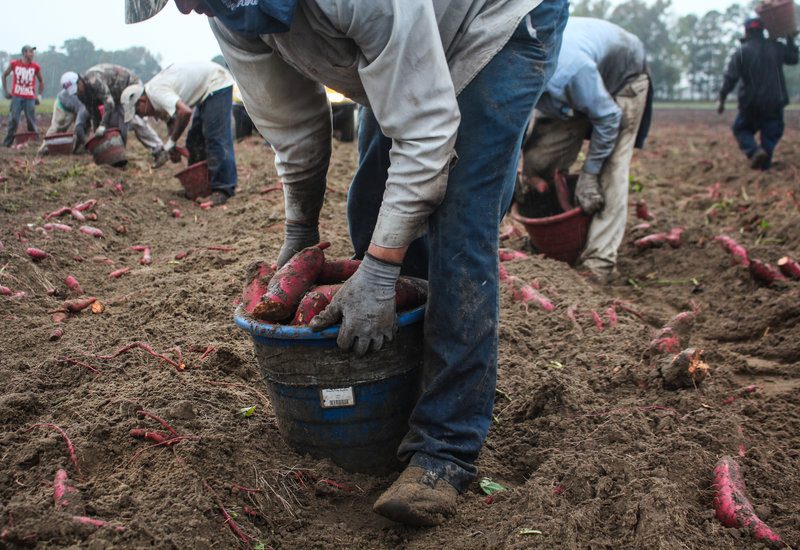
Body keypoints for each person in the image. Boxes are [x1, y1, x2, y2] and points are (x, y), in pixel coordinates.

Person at [126, 0, 567, 526]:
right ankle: (398, 385)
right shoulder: (229, 13)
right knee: (370, 204)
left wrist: (381, 270)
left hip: (491, 28)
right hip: (404, 55)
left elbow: (425, 131)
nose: (185, 7)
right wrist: (301, 232)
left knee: (459, 228)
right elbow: (295, 130)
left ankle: (444, 450)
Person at [520, 17, 652, 284]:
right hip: (571, 90)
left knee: (610, 170)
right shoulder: (520, 75)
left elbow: (608, 118)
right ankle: (555, 239)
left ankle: (599, 262)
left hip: (623, 81)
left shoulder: (572, 72)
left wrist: (589, 174)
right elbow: (517, 128)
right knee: (539, 160)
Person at [121, 61, 237, 204]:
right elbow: (171, 120)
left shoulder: (156, 92)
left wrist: (171, 142)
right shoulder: (154, 99)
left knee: (215, 137)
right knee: (194, 141)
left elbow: (185, 112)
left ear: (143, 100)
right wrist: (172, 145)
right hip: (205, 91)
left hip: (217, 82)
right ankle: (200, 186)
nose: (140, 115)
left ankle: (223, 189)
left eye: (138, 111)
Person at [718, 18, 799, 170]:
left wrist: (722, 99)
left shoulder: (741, 52)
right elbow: (793, 59)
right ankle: (764, 166)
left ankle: (754, 151)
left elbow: (730, 78)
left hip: (751, 103)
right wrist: (790, 39)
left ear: (746, 32)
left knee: (741, 129)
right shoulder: (776, 47)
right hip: (774, 101)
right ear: (763, 31)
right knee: (770, 133)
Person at [78, 64, 168, 168]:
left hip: (129, 86)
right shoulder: (81, 93)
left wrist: (102, 126)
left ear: (80, 81)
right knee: (115, 125)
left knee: (133, 120)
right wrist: (98, 133)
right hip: (116, 95)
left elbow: (109, 102)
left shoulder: (93, 80)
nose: (77, 92)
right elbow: (94, 112)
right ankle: (116, 155)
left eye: (77, 88)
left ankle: (159, 149)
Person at [39, 72, 91, 155]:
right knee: (58, 127)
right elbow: (79, 126)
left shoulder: (90, 86)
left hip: (78, 108)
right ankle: (44, 148)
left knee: (86, 125)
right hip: (63, 107)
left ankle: (77, 148)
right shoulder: (78, 101)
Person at [2, 45, 44, 147]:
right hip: (17, 96)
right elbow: (4, 75)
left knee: (31, 119)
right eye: (31, 52)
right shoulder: (14, 64)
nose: (33, 54)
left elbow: (41, 81)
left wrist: (39, 95)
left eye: (33, 52)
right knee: (14, 119)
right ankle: (7, 143)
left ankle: (35, 142)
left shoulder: (35, 67)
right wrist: (6, 91)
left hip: (30, 97)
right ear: (24, 53)